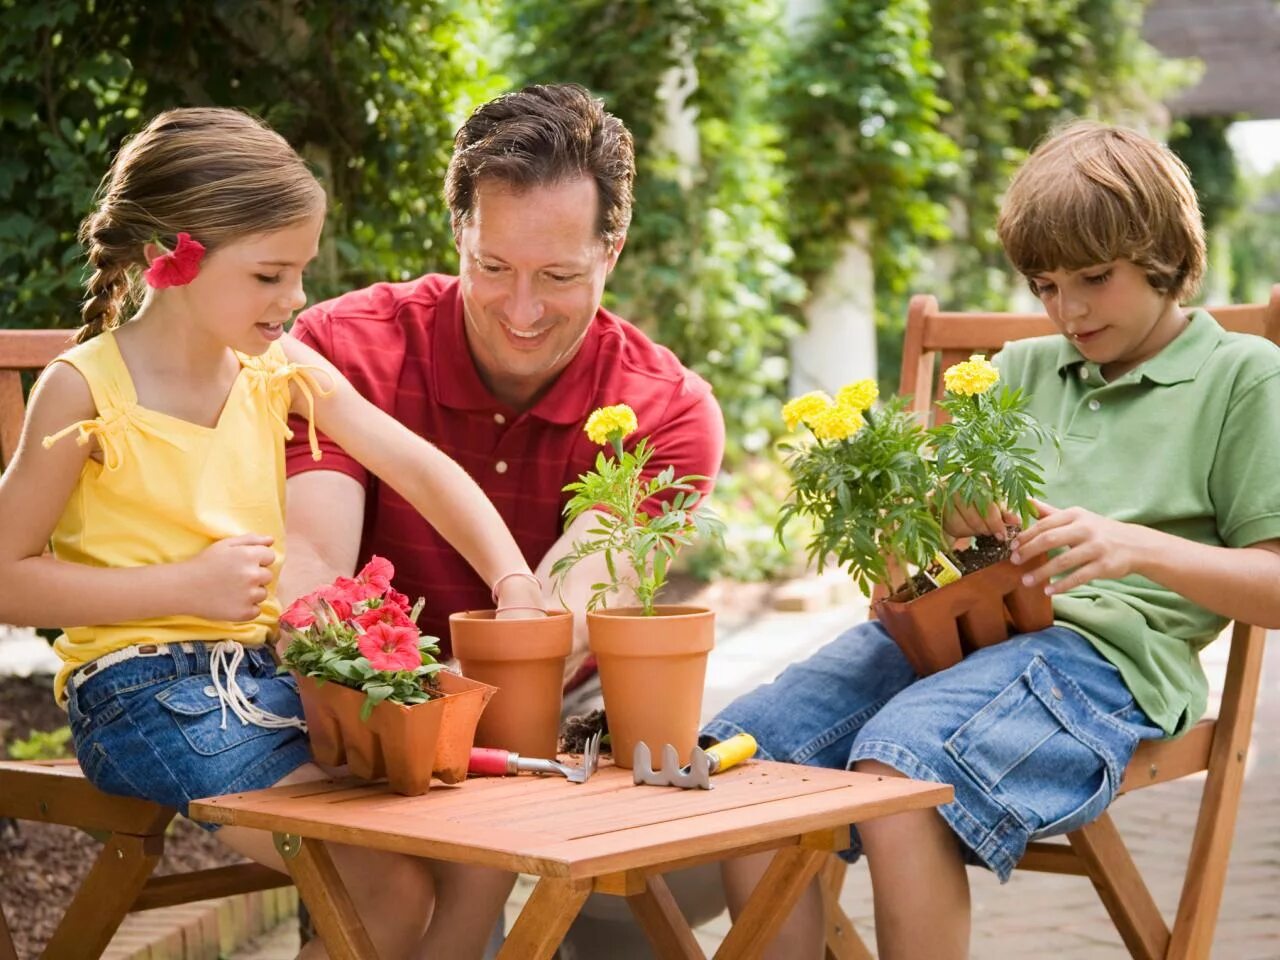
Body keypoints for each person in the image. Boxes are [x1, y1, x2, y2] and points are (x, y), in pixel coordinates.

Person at [702, 120, 1280, 959]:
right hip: (959, 633)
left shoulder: (1243, 379)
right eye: (1045, 285)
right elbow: (933, 529)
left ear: (1165, 256)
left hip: (1104, 666)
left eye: (1094, 277)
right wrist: (940, 520)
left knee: (901, 771)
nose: (1068, 309)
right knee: (746, 756)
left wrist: (1135, 546)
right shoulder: (1015, 371)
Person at [0, 107, 548, 960]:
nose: (296, 300)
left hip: (266, 682)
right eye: (269, 275)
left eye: (300, 273)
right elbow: (6, 578)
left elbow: (419, 466)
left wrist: (515, 583)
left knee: (470, 830)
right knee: (385, 885)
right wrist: (180, 589)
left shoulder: (277, 367)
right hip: (143, 699)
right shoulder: (84, 390)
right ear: (169, 260)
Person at [279, 83, 727, 957]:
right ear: (459, 237)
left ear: (614, 250)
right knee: (388, 908)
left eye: (559, 277)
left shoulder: (668, 411)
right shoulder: (344, 349)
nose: (522, 312)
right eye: (493, 268)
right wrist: (390, 710)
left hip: (569, 704)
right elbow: (313, 567)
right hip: (376, 703)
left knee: (661, 876)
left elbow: (549, 626)